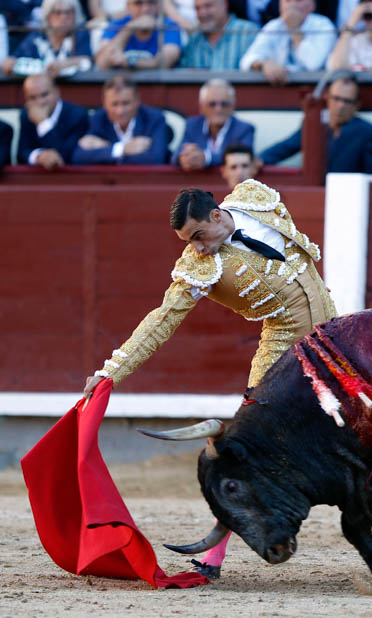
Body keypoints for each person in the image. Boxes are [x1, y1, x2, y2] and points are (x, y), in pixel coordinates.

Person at [80, 181, 342, 578]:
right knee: (241, 454)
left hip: (332, 339)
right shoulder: (199, 267)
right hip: (280, 357)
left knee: (368, 437)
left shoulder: (257, 200)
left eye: (199, 236)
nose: (197, 248)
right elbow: (162, 320)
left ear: (217, 214)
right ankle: (212, 560)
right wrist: (111, 372)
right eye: (188, 241)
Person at [260, 75, 372, 177]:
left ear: (357, 105)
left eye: (347, 101)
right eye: (336, 99)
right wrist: (260, 159)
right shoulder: (315, 125)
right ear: (327, 98)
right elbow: (287, 146)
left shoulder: (367, 132)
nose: (341, 106)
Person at [72, 75, 169, 165]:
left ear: (137, 100)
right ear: (104, 102)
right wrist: (122, 149)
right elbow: (79, 157)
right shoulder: (98, 119)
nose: (120, 111)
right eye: (114, 104)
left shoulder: (154, 119)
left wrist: (107, 150)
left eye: (126, 103)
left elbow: (156, 159)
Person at [238, 0, 337, 83]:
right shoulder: (274, 26)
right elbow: (246, 60)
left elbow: (313, 64)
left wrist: (294, 28)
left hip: (313, 89)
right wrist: (264, 64)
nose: (292, 5)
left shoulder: (323, 25)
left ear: (312, 5)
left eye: (298, 0)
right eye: (288, 1)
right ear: (280, 6)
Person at [173, 79, 255, 171]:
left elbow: (244, 157)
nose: (218, 109)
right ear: (201, 107)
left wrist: (206, 158)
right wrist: (185, 157)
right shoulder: (192, 125)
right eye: (212, 104)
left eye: (224, 104)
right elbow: (175, 156)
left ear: (233, 106)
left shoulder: (244, 129)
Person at [1, 0, 92, 77]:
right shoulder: (38, 36)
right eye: (58, 12)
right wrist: (9, 62)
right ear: (48, 15)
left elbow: (87, 60)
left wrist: (65, 64)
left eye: (68, 12)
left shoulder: (80, 34)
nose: (64, 17)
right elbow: (16, 57)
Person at [18, 73, 89, 168]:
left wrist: (43, 123)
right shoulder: (26, 114)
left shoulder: (78, 115)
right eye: (32, 98)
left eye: (44, 94)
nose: (40, 102)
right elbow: (21, 153)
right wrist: (39, 156)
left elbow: (68, 156)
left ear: (57, 92)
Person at [94, 0, 183, 70]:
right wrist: (130, 28)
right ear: (128, 6)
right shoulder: (116, 25)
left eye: (151, 2)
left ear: (159, 5)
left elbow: (165, 61)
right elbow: (102, 63)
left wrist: (130, 62)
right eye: (138, 3)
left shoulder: (169, 25)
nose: (145, 9)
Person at [179, 0, 260, 69]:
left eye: (208, 6)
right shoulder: (194, 40)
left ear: (224, 4)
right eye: (197, 8)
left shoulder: (248, 32)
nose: (202, 13)